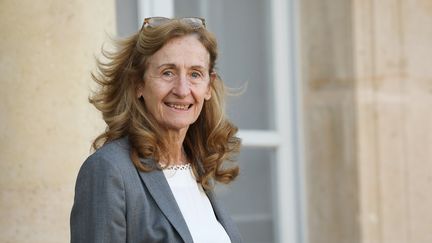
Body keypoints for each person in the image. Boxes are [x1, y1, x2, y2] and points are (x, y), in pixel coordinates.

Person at [70, 17, 243, 243]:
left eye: (195, 74)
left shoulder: (197, 169)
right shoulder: (109, 170)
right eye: (167, 72)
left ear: (208, 86)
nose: (182, 90)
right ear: (137, 83)